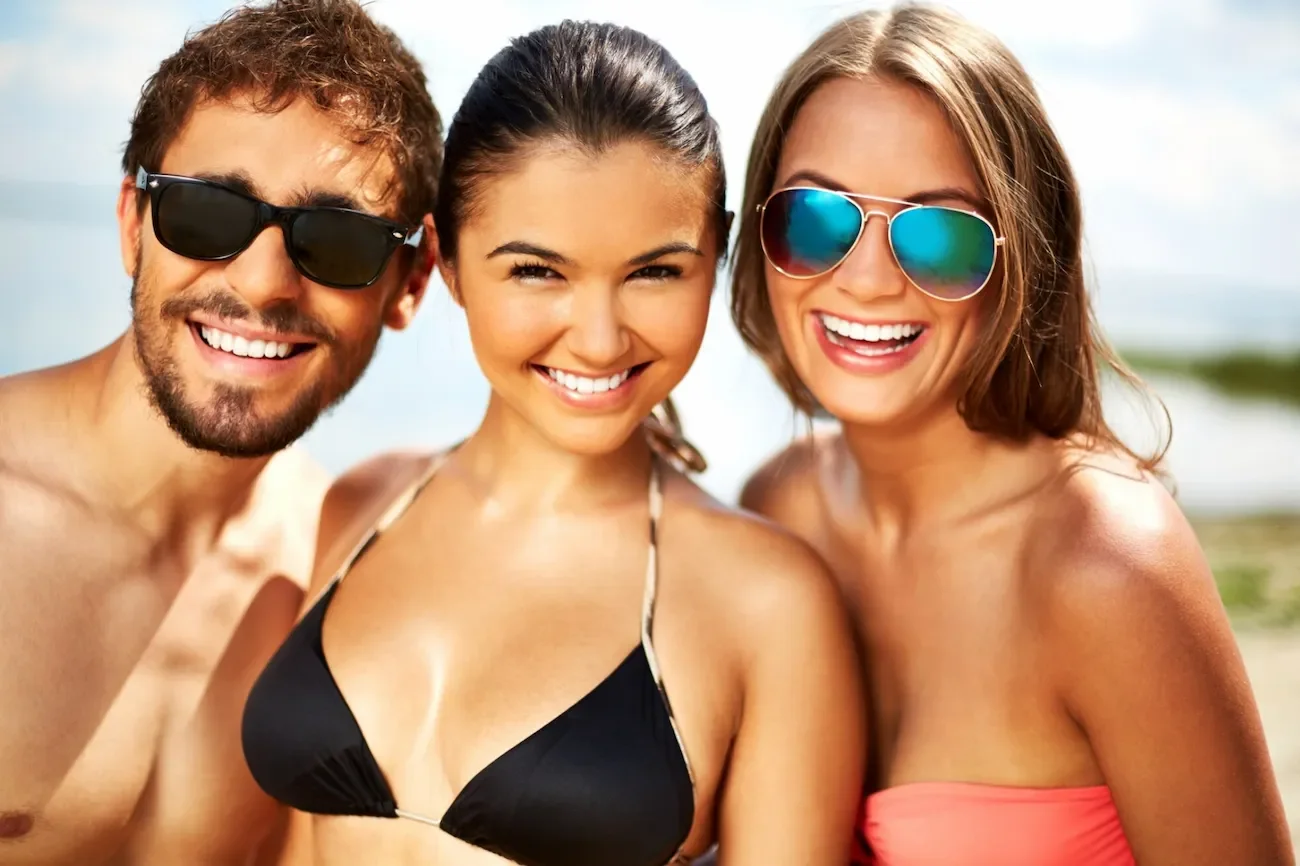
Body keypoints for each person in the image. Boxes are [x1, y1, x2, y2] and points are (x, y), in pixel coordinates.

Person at [241, 19, 866, 866]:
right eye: (537, 270)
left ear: (714, 258)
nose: (601, 340)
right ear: (447, 262)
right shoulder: (363, 502)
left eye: (655, 272)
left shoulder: (768, 605)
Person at [732, 5, 1294, 866]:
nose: (871, 280)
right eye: (816, 218)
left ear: (1023, 260)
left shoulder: (1108, 563)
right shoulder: (778, 510)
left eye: (941, 235)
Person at [0, 1, 443, 863]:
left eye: (338, 240)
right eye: (209, 214)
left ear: (411, 282)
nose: (265, 282)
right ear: (134, 222)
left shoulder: (335, 578)